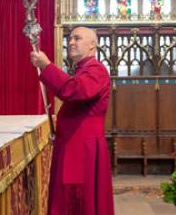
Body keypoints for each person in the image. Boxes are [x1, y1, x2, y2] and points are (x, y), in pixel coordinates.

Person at [30, 27, 114, 215]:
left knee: (76, 201)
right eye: (69, 38)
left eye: (77, 38)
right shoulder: (82, 70)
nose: (71, 42)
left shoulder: (96, 70)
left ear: (92, 44)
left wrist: (47, 66)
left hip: (82, 150)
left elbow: (75, 91)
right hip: (74, 146)